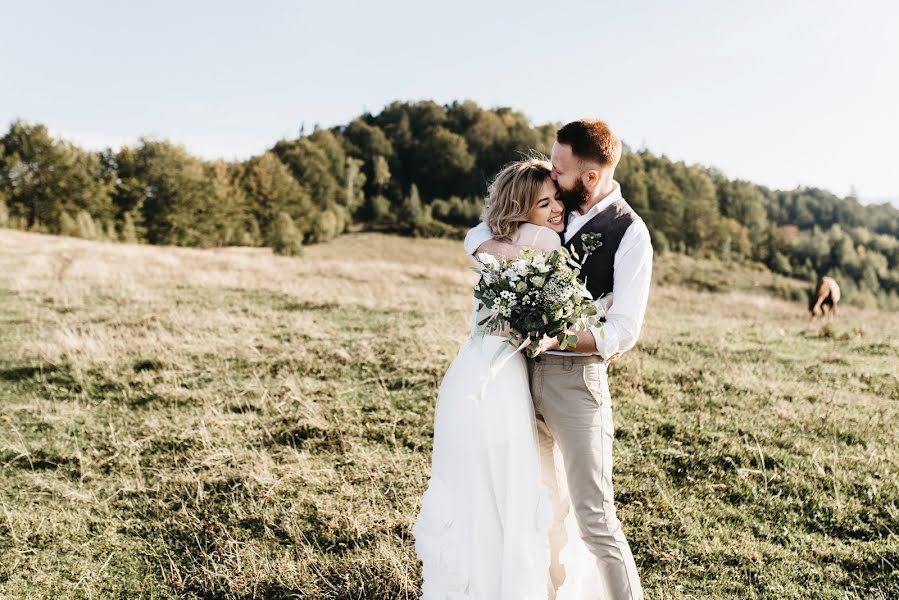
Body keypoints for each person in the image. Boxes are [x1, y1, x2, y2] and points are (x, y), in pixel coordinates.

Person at [464, 119, 652, 600]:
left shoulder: (631, 234)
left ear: (589, 177)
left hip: (576, 385)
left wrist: (558, 338)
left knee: (595, 518)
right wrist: (493, 247)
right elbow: (482, 228)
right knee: (542, 511)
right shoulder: (555, 204)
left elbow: (624, 330)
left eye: (561, 168)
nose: (552, 172)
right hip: (520, 381)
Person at [413, 159, 597, 599]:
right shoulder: (544, 241)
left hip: (468, 369)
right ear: (521, 209)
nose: (557, 211)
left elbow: (476, 235)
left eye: (556, 200)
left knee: (473, 484)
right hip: (503, 375)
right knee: (512, 485)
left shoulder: (493, 240)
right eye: (544, 203)